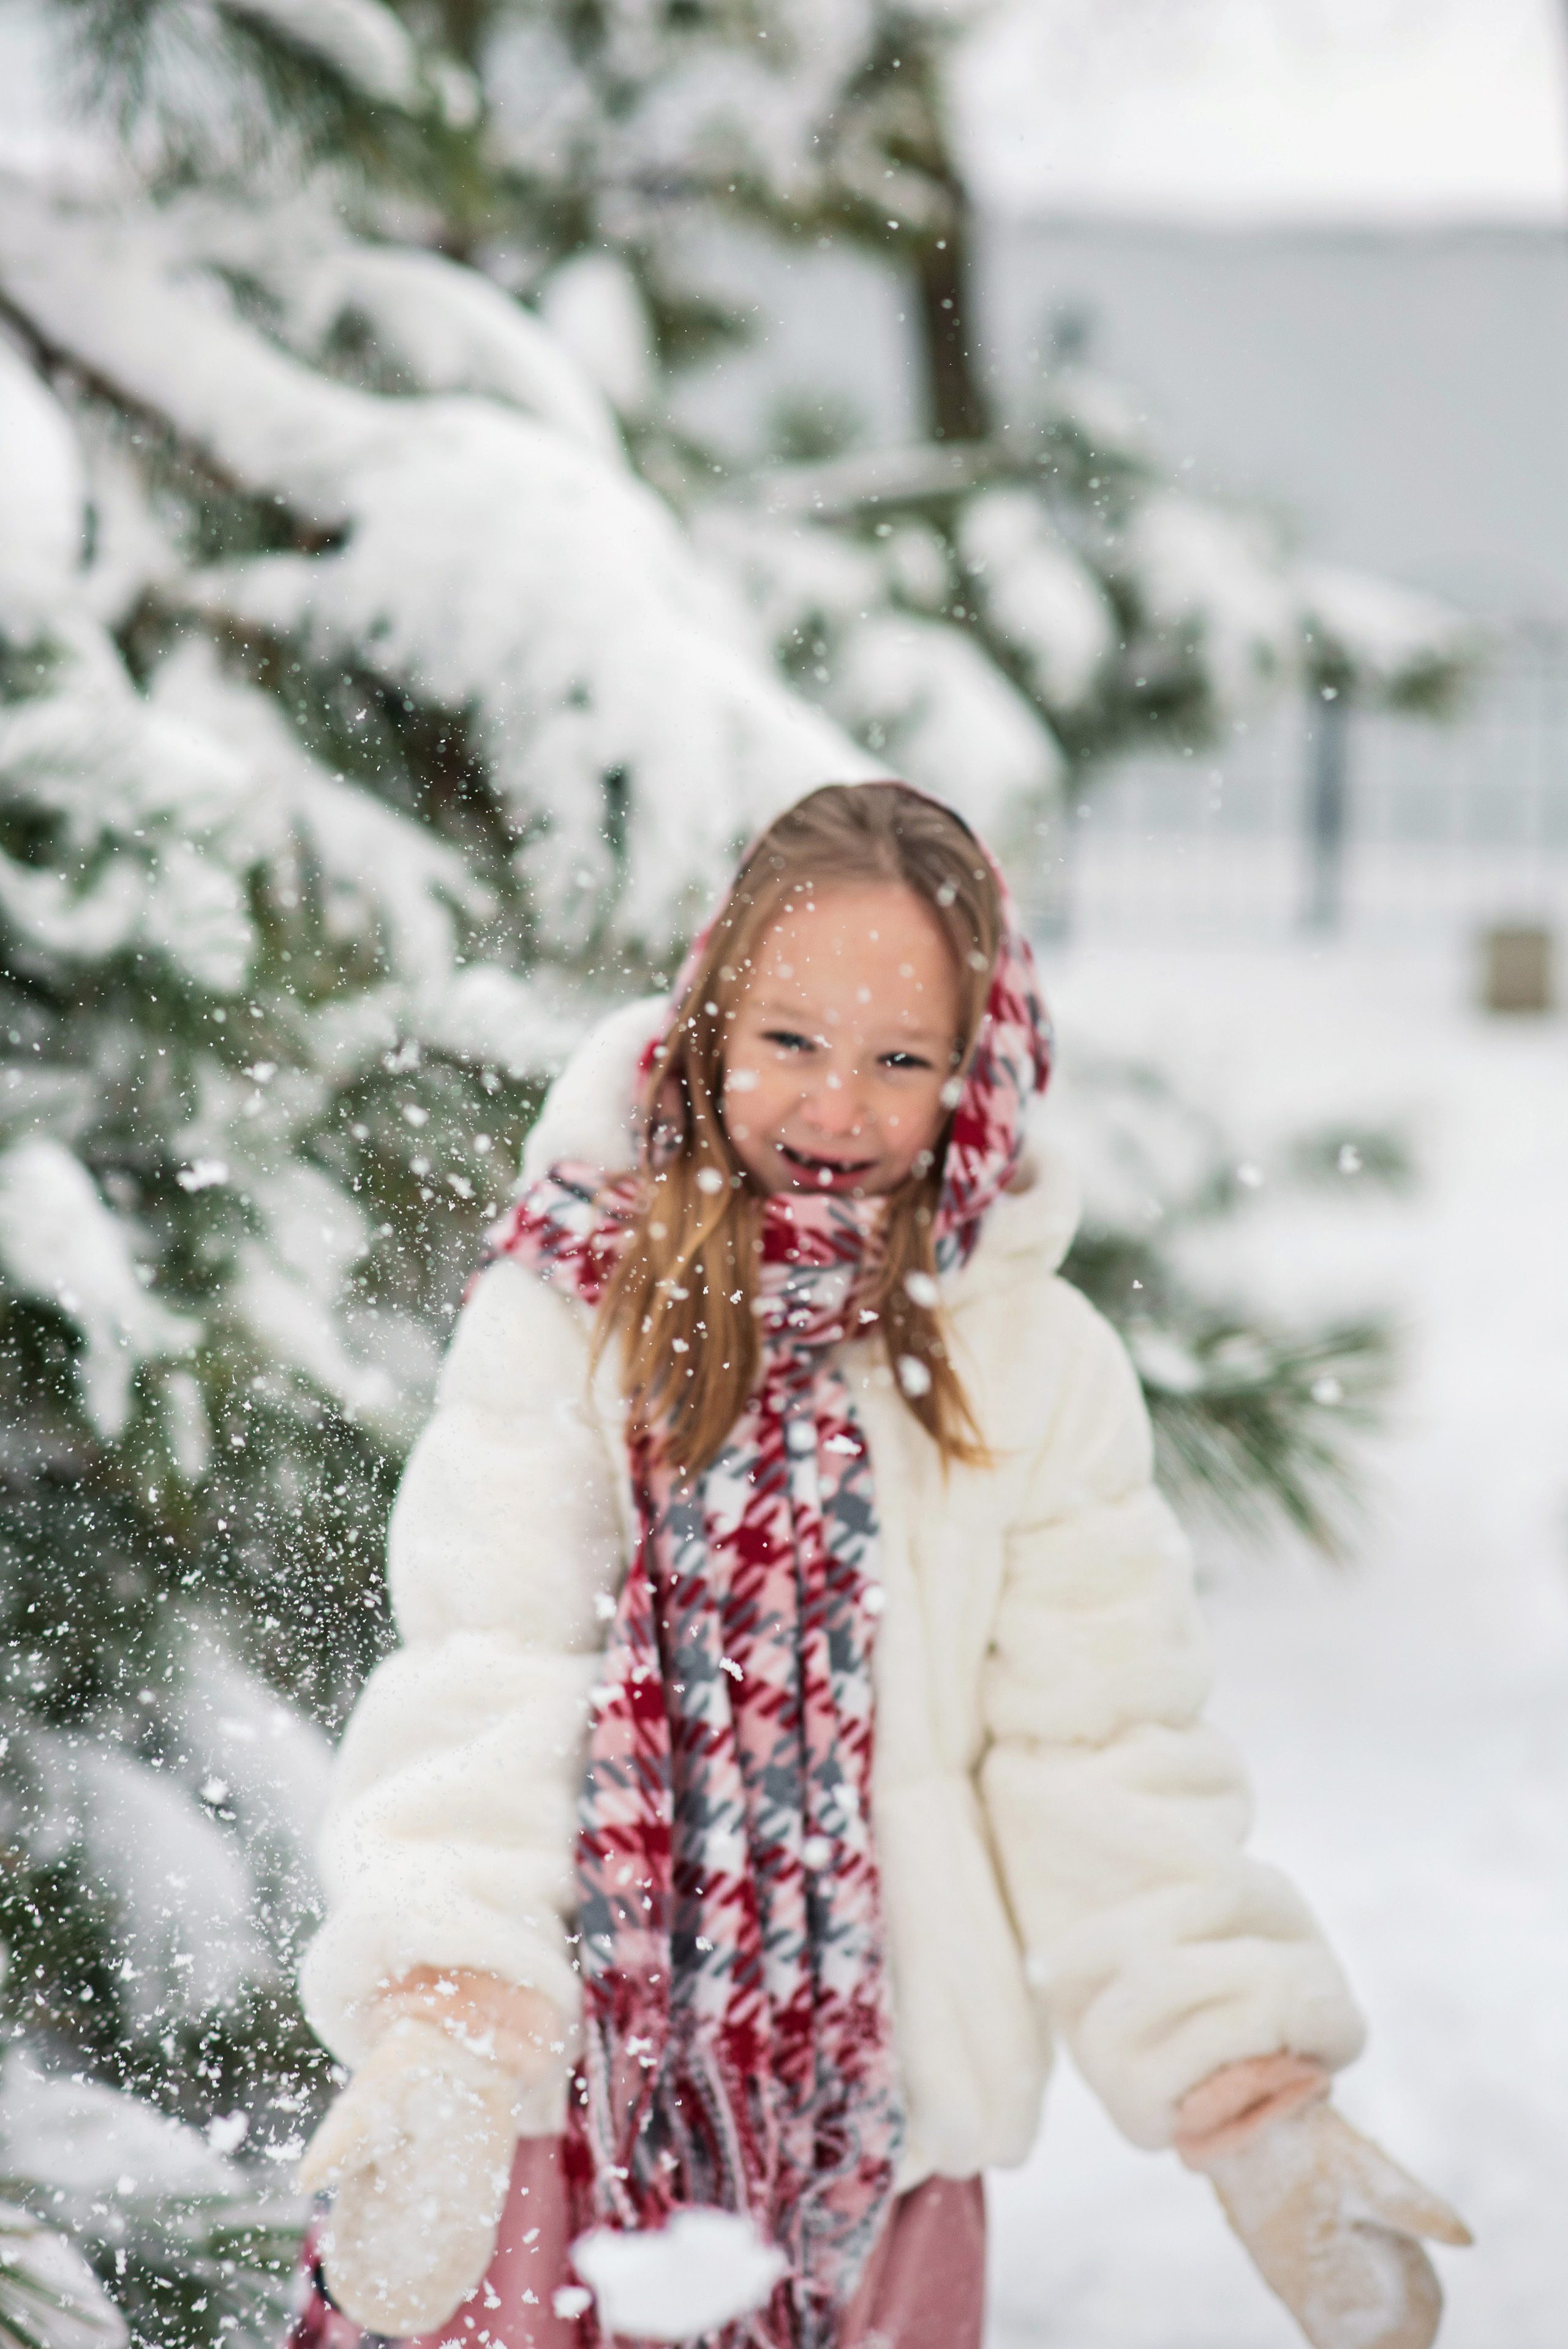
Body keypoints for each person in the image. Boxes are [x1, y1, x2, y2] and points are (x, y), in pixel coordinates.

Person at [292, 782, 1468, 2349]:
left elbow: (1101, 1749)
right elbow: (491, 1669)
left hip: (874, 2143)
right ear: (711, 1024)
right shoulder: (576, 1301)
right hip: (555, 2109)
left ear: (977, 1074)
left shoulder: (1025, 1362)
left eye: (900, 1059)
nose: (836, 1106)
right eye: (790, 1039)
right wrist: (449, 2014)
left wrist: (1246, 2092)